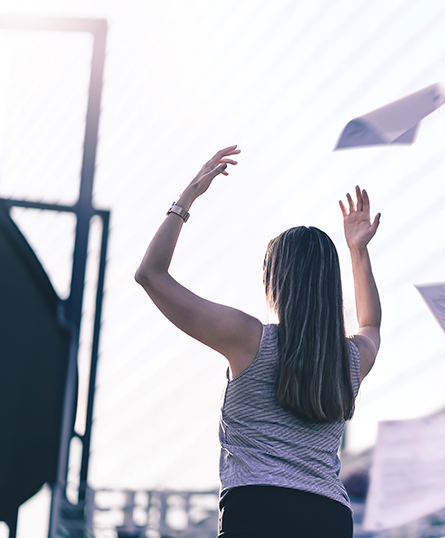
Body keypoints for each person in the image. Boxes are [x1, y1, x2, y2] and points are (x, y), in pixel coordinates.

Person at [135, 145, 381, 537]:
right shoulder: (351, 359)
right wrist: (357, 251)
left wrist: (187, 198)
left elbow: (150, 275)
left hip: (257, 509)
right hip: (328, 517)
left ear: (273, 282)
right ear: (329, 286)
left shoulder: (248, 338)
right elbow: (371, 324)